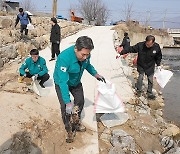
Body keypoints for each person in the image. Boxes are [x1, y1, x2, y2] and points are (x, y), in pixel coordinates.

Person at [53, 36, 106, 143]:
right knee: (65, 107)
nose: (86, 57)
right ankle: (69, 129)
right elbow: (63, 82)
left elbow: (87, 65)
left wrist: (95, 74)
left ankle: (76, 122)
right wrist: (68, 103)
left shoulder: (85, 55)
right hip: (62, 82)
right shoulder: (64, 58)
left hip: (75, 82)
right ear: (76, 49)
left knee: (80, 101)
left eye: (88, 54)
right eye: (83, 54)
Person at [119, 35, 162, 99]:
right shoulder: (140, 45)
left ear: (153, 43)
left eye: (150, 45)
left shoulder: (156, 47)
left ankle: (149, 92)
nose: (148, 46)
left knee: (150, 79)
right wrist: (120, 53)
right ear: (145, 41)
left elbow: (158, 56)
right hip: (141, 64)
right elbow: (131, 49)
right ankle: (139, 90)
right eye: (147, 44)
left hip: (150, 65)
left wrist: (158, 65)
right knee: (140, 77)